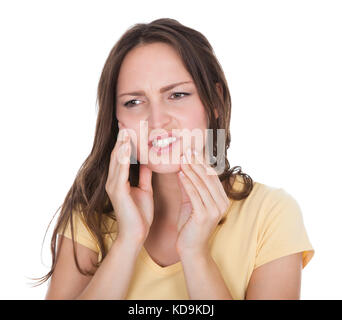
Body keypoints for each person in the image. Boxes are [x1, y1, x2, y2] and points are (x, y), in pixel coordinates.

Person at [32, 18, 314, 299]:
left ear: (214, 102)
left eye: (177, 95)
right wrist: (127, 241)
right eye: (134, 102)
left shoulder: (272, 214)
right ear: (118, 119)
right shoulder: (90, 213)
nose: (157, 121)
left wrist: (195, 254)